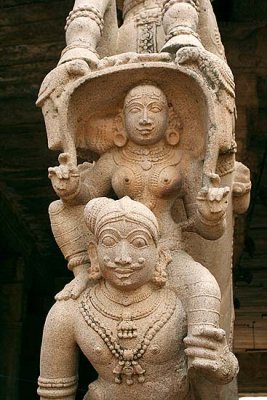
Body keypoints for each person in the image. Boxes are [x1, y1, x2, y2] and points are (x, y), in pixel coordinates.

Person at [38, 197, 238, 400]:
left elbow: (218, 374)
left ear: (160, 255)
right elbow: (54, 392)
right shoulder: (68, 311)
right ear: (93, 253)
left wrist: (222, 362)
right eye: (109, 241)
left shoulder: (184, 298)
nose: (123, 257)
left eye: (138, 242)